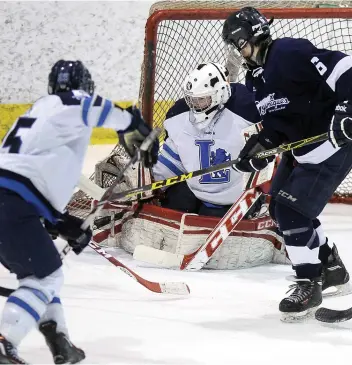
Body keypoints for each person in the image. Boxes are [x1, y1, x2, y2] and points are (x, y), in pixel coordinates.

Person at [0, 59, 159, 363]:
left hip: (13, 203)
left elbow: (34, 178)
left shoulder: (38, 119)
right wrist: (131, 122)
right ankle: (5, 341)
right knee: (45, 279)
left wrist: (61, 222)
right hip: (12, 203)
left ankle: (61, 344)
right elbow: (90, 106)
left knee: (41, 274)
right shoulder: (67, 101)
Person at [222, 7, 351, 321]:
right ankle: (330, 266)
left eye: (240, 43)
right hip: (301, 150)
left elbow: (346, 67)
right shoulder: (256, 78)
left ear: (255, 35)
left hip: (332, 146)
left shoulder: (289, 52)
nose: (239, 51)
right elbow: (281, 122)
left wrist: (348, 109)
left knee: (294, 212)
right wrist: (261, 146)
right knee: (278, 211)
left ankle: (309, 283)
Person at [152, 62, 265, 218]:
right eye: (192, 99)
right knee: (170, 209)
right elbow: (174, 158)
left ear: (219, 94)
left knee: (210, 219)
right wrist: (151, 181)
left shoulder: (247, 110)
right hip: (195, 192)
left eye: (201, 99)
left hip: (235, 198)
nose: (194, 105)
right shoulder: (179, 115)